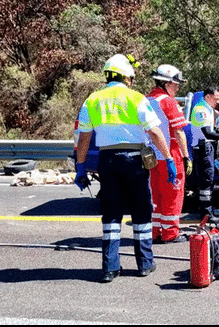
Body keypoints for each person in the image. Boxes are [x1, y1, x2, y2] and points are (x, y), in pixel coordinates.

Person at [74, 54, 177, 283]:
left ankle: (110, 268)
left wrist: (80, 167)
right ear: (127, 78)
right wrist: (168, 158)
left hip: (107, 160)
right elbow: (154, 131)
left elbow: (84, 137)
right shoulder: (136, 98)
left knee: (111, 213)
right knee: (141, 210)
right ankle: (144, 264)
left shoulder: (92, 100)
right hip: (134, 159)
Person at [146, 64, 191, 244]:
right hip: (169, 153)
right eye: (176, 84)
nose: (178, 88)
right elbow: (179, 131)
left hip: (150, 155)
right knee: (173, 193)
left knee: (156, 194)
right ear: (167, 83)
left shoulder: (146, 99)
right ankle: (171, 233)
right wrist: (186, 156)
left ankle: (156, 231)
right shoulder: (168, 102)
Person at [190, 87, 219, 222]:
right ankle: (207, 214)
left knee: (208, 181)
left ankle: (207, 211)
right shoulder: (201, 110)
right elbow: (207, 133)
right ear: (207, 97)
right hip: (203, 147)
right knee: (206, 181)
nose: (217, 102)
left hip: (205, 146)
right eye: (215, 99)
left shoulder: (208, 109)